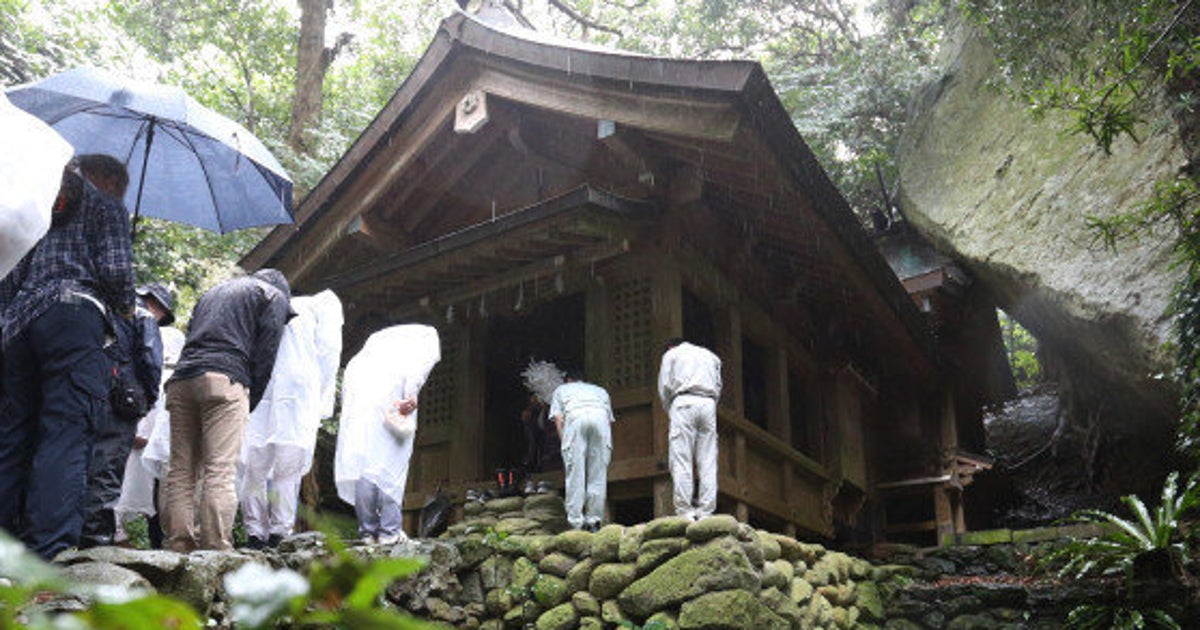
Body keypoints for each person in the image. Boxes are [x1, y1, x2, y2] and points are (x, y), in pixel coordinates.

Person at [0, 165, 135, 559]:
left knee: (13, 437)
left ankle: (5, 548)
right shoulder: (105, 207)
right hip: (75, 318)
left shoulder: (39, 210)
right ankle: (50, 551)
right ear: (108, 182)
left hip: (18, 329)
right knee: (67, 431)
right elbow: (116, 272)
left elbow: (8, 279)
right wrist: (125, 308)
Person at [163, 269, 294, 552]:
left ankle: (178, 544)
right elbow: (266, 353)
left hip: (182, 380)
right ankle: (215, 548)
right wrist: (250, 399)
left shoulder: (212, 293)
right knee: (220, 470)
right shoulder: (273, 295)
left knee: (181, 470)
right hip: (225, 379)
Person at [239, 289, 343, 549]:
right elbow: (329, 351)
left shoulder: (264, 305)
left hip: (261, 383)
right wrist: (321, 394)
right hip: (299, 386)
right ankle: (279, 531)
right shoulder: (318, 307)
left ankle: (254, 532)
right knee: (289, 462)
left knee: (253, 462)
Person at [80, 282, 170, 548]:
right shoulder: (142, 316)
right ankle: (95, 540)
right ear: (156, 305)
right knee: (107, 469)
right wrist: (148, 400)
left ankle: (70, 534)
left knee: (81, 464)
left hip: (85, 394)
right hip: (122, 399)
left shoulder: (98, 307)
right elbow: (151, 362)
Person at [335, 324, 440, 545]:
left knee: (365, 473)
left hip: (360, 426)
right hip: (392, 422)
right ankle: (389, 531)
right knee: (391, 472)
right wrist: (411, 397)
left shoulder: (358, 363)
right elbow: (412, 386)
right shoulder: (404, 359)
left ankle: (367, 532)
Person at [114, 320, 184, 549]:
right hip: (153, 448)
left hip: (154, 447)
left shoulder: (157, 371)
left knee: (142, 497)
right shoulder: (174, 376)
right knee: (143, 497)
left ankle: (148, 542)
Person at [657, 337, 722, 521]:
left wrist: (670, 408)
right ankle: (706, 511)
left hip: (683, 401)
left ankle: (685, 510)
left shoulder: (672, 354)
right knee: (708, 458)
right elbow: (718, 387)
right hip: (708, 403)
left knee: (681, 457)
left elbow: (665, 387)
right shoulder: (711, 356)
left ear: (670, 346)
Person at [548, 371, 614, 532]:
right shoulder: (600, 391)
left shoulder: (561, 390)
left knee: (575, 474)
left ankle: (576, 522)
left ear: (568, 380)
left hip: (576, 418)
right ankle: (594, 521)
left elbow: (559, 419)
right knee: (597, 473)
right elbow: (608, 421)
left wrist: (565, 442)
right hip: (600, 421)